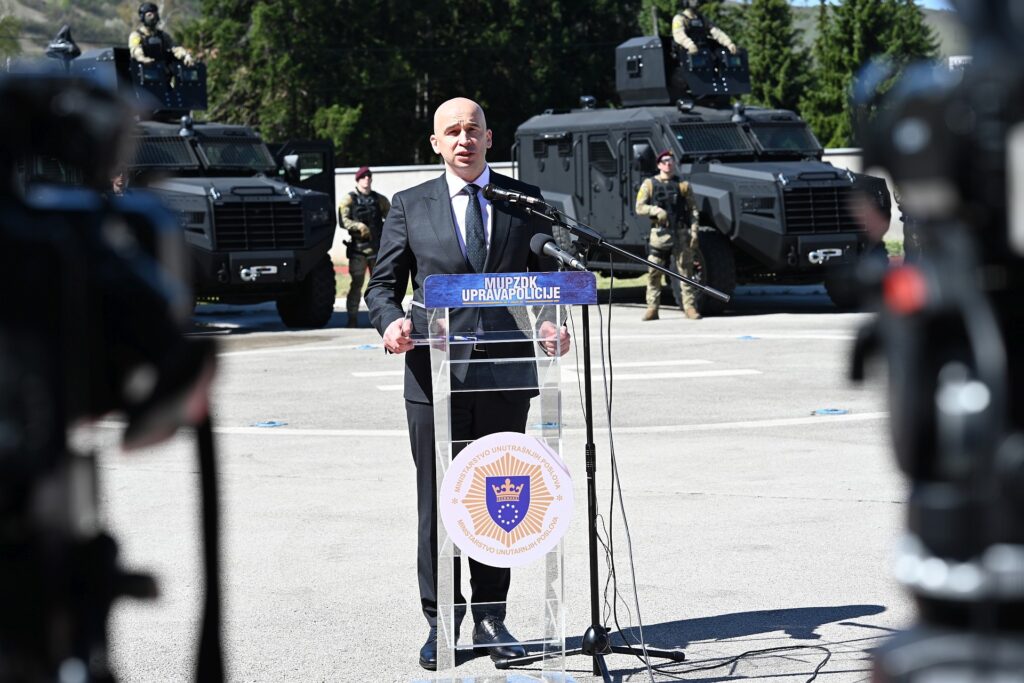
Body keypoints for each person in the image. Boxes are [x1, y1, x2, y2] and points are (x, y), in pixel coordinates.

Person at [364, 97, 570, 672]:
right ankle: (442, 622)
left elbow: (546, 279)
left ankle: (491, 617)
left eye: (472, 129)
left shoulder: (523, 200)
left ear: (489, 137)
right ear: (435, 143)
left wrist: (551, 322)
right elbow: (381, 287)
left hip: (505, 377)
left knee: (498, 498)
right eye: (452, 131)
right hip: (434, 378)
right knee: (440, 502)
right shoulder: (409, 205)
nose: (463, 139)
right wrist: (391, 323)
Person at [635, 149, 702, 321]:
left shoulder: (683, 185)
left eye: (671, 161)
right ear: (659, 164)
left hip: (680, 234)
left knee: (686, 271)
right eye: (664, 161)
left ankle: (689, 307)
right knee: (654, 272)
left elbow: (693, 210)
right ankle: (652, 307)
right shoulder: (649, 184)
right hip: (660, 235)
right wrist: (656, 210)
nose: (668, 164)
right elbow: (639, 207)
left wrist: (694, 231)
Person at [338, 166, 390, 328]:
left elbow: (392, 217)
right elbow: (343, 220)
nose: (366, 179)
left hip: (377, 250)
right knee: (357, 285)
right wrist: (358, 226)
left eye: (369, 176)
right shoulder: (349, 199)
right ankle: (352, 318)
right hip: (358, 250)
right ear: (358, 179)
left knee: (380, 286)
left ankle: (383, 318)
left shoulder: (379, 199)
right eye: (363, 177)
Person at [128, 2, 195, 67]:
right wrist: (142, 58)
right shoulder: (136, 35)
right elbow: (135, 49)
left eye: (155, 14)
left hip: (161, 70)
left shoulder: (162, 35)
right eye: (149, 15)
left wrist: (185, 55)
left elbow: (175, 47)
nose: (153, 17)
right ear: (142, 17)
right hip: (144, 69)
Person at [672, 0, 739, 57]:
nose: (696, 1)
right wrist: (689, 45)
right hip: (687, 54)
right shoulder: (679, 19)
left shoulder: (702, 19)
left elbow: (716, 32)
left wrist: (729, 43)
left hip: (704, 52)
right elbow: (679, 35)